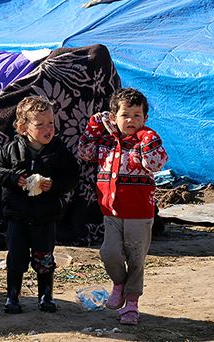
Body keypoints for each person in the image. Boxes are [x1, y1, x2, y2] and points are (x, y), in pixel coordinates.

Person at [78, 88, 168, 325]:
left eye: (137, 116)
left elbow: (157, 164)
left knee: (136, 258)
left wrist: (147, 140)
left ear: (145, 118)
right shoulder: (106, 141)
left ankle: (131, 304)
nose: (131, 121)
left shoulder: (147, 140)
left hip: (139, 213)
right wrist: (93, 128)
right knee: (109, 252)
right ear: (114, 117)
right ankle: (118, 283)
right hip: (111, 210)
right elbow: (85, 153)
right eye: (125, 115)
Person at [0, 96, 79, 314]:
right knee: (16, 256)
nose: (47, 129)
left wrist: (54, 185)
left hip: (46, 215)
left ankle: (45, 296)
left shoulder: (58, 151)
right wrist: (14, 178)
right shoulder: (11, 149)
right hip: (17, 214)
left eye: (50, 123)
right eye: (40, 124)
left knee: (45, 257)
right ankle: (12, 296)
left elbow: (72, 176)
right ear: (23, 128)